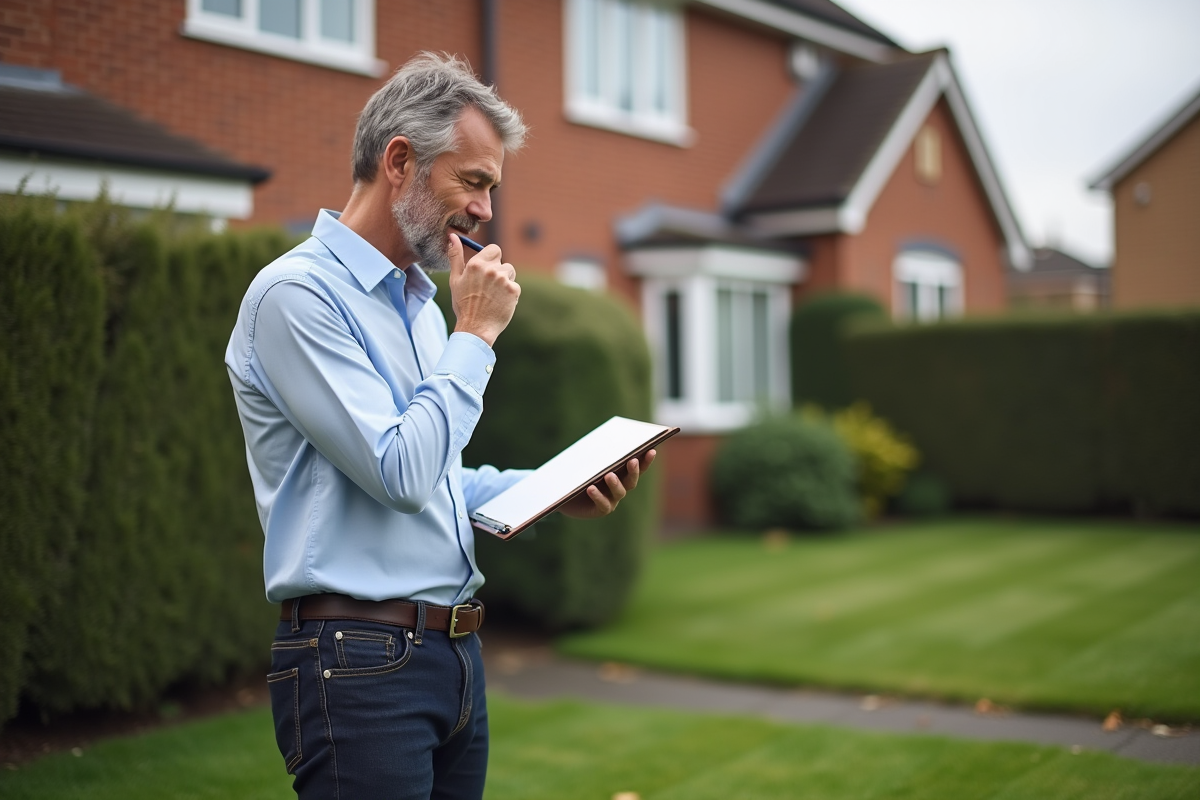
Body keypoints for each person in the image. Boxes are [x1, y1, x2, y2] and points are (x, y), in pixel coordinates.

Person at [224, 53, 653, 800]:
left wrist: (552, 490)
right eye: (474, 181)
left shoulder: (420, 303)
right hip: (356, 663)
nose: (486, 209)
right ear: (400, 161)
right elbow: (399, 472)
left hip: (452, 653)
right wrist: (477, 336)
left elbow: (439, 479)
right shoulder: (294, 299)